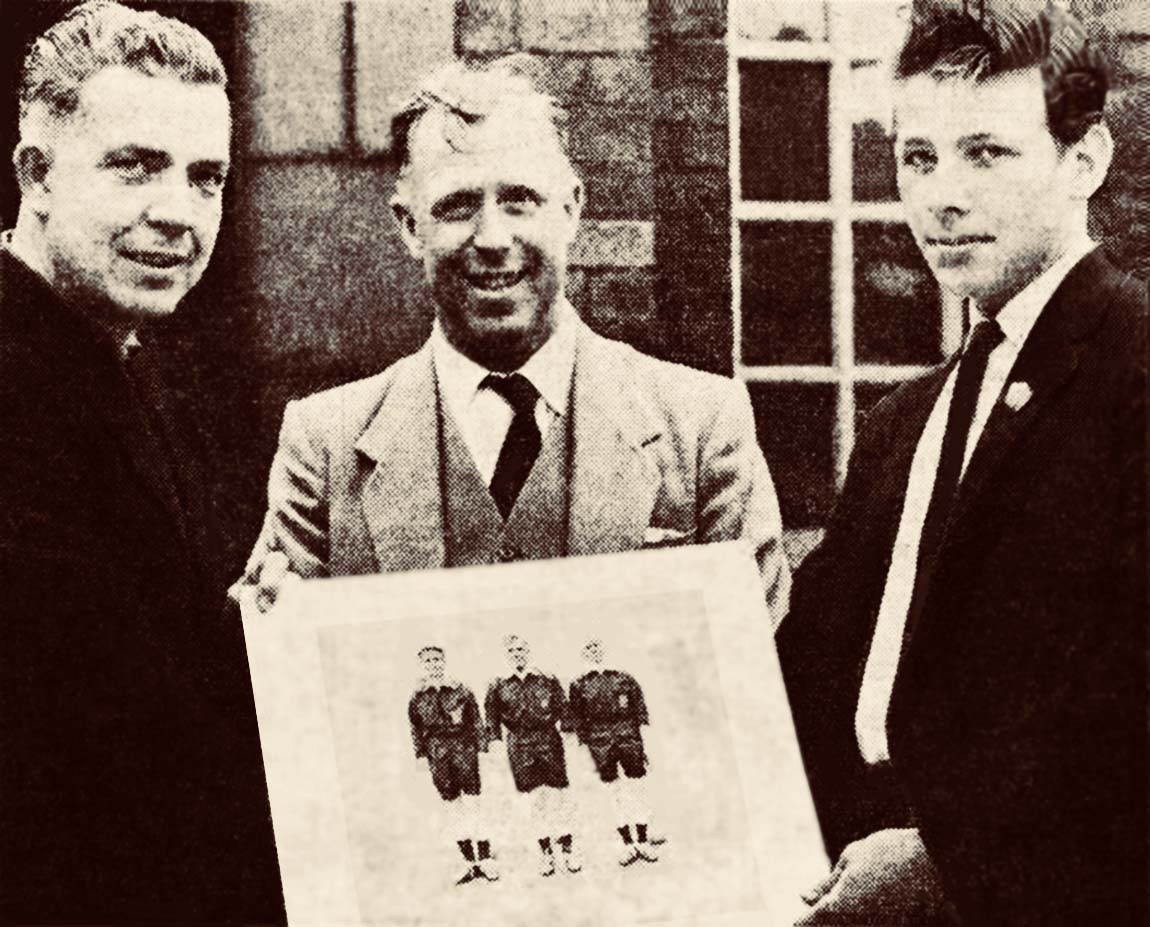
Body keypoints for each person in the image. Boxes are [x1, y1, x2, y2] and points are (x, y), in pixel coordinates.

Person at [778, 2, 1146, 924]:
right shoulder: (907, 419)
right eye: (919, 156)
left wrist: (950, 862)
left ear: (1085, 160)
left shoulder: (1134, 365)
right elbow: (813, 672)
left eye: (986, 153)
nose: (943, 195)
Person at [234, 55, 789, 624]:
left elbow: (758, 679)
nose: (493, 237)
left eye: (520, 201)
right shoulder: (325, 448)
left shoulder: (702, 428)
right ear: (409, 226)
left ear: (572, 209)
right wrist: (270, 637)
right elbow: (297, 694)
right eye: (457, 206)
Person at [0, 2, 283, 920]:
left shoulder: (143, 365)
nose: (177, 212)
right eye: (135, 168)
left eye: (207, 179)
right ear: (35, 175)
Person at [484, 635, 579, 876]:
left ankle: (568, 850)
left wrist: (567, 733)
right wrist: (494, 745)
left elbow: (564, 708)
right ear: (507, 655)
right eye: (512, 651)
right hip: (519, 745)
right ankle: (546, 853)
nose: (517, 654)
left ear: (528, 651)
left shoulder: (546, 678)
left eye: (521, 649)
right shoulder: (498, 684)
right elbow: (492, 719)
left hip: (549, 740)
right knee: (534, 801)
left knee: (559, 797)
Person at [408, 645, 498, 885]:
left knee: (475, 804)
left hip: (464, 751)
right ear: (422, 666)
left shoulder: (461, 689)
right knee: (453, 807)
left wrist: (483, 750)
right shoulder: (417, 696)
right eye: (428, 661)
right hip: (438, 756)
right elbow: (416, 729)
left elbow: (476, 722)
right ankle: (468, 862)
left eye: (437, 660)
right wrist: (421, 757)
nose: (433, 664)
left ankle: (486, 858)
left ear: (444, 661)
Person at [567, 638, 659, 866]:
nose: (593, 652)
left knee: (637, 788)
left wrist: (642, 744)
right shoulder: (579, 684)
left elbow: (640, 710)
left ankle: (644, 840)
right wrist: (586, 747)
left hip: (629, 739)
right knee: (615, 792)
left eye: (596, 647)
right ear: (583, 654)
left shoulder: (623, 678)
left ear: (603, 650)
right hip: (600, 743)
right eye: (588, 648)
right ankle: (627, 844)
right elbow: (577, 719)